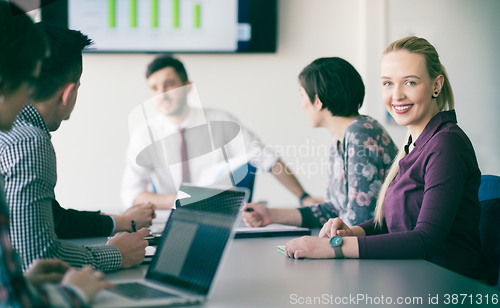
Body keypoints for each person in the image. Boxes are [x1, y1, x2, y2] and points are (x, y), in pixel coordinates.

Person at [284, 36, 487, 280]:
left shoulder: (446, 144)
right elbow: (391, 224)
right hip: (410, 278)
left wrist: (334, 247)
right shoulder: (413, 143)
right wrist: (352, 232)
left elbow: (425, 240)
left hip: (446, 287)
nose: (397, 95)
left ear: (436, 85)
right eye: (388, 83)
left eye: (410, 82)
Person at [0, 23, 150, 273]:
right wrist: (116, 254)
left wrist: (116, 222)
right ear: (68, 93)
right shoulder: (27, 142)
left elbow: (51, 217)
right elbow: (36, 258)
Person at [0, 0, 113, 307]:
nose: (29, 94)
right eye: (27, 79)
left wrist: (20, 281)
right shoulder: (27, 141)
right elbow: (37, 257)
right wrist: (77, 291)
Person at [121, 55, 322, 209]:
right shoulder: (144, 135)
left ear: (188, 87)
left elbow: (267, 159)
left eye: (169, 85)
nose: (162, 94)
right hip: (170, 218)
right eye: (154, 88)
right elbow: (132, 193)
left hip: (219, 213)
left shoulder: (221, 122)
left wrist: (304, 197)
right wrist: (180, 200)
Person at [243, 57, 398, 228]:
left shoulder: (360, 133)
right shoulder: (340, 137)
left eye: (303, 95)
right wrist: (271, 215)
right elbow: (332, 211)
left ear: (317, 101)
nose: (303, 105)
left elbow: (360, 221)